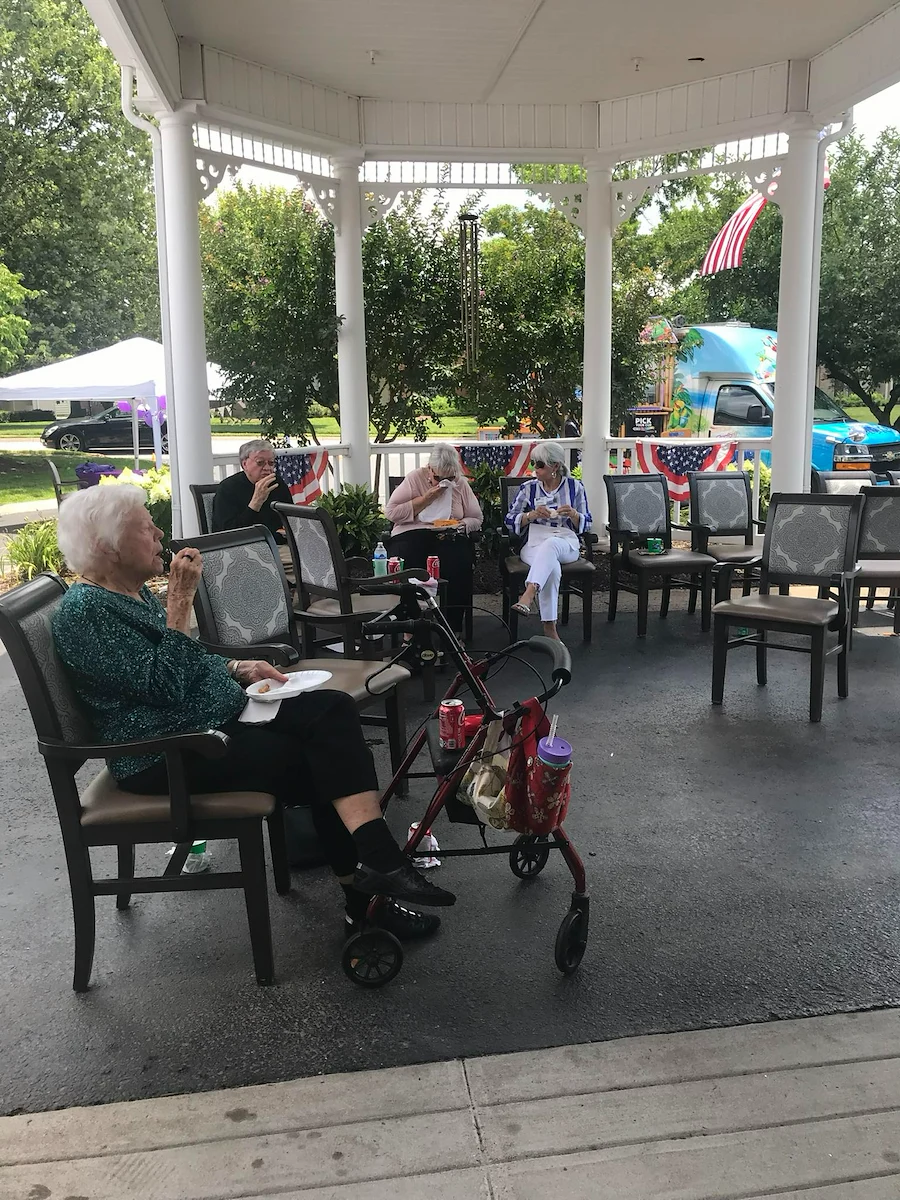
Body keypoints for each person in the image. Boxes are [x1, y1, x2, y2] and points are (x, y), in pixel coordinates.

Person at [52, 485, 454, 943]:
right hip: (168, 755)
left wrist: (236, 666)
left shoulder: (126, 593)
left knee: (334, 711)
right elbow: (165, 686)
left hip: (211, 723)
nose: (159, 532)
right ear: (108, 545)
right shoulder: (85, 613)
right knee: (320, 756)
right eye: (146, 526)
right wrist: (181, 602)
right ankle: (368, 897)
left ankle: (377, 866)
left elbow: (180, 660)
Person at [385, 443, 483, 639]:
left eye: (450, 478)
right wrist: (426, 498)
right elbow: (391, 512)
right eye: (438, 478)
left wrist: (460, 525)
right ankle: (410, 629)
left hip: (447, 533)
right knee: (407, 560)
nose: (443, 483)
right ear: (429, 468)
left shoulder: (460, 484)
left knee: (459, 563)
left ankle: (452, 629)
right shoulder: (415, 478)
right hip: (413, 531)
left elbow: (476, 518)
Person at [505, 440, 592, 641]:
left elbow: (587, 522)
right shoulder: (528, 488)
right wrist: (530, 516)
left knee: (551, 546)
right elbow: (509, 519)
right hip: (534, 541)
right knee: (551, 565)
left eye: (540, 464)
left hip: (565, 541)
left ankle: (528, 593)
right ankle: (549, 628)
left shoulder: (575, 487)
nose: (535, 468)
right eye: (534, 463)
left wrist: (574, 514)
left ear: (555, 466)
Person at [212, 439, 293, 541]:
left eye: (271, 463)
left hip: (278, 542)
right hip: (246, 547)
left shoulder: (277, 483)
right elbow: (227, 533)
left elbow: (290, 517)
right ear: (244, 464)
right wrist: (256, 502)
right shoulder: (228, 488)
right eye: (260, 463)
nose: (267, 468)